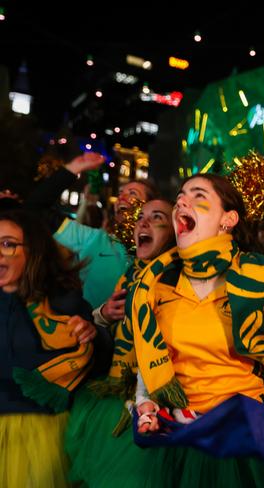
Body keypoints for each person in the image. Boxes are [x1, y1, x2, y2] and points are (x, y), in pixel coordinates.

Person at [131, 171, 264, 486]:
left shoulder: (257, 280)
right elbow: (150, 367)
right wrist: (144, 404)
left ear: (228, 219)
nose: (181, 202)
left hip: (240, 440)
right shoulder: (156, 286)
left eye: (198, 196)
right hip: (181, 437)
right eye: (180, 197)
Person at [65, 199, 177, 487]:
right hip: (113, 398)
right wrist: (101, 317)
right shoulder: (128, 277)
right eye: (141, 217)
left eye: (157, 217)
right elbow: (111, 337)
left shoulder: (180, 283)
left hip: (154, 407)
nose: (143, 222)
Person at [0, 209, 111, 487]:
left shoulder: (63, 304)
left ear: (34, 251)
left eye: (7, 244)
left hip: (39, 435)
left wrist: (92, 336)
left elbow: (98, 368)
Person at [26, 152, 159, 308]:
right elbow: (35, 209)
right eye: (120, 193)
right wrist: (73, 169)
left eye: (132, 194)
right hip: (91, 329)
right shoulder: (93, 239)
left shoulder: (160, 253)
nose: (121, 197)